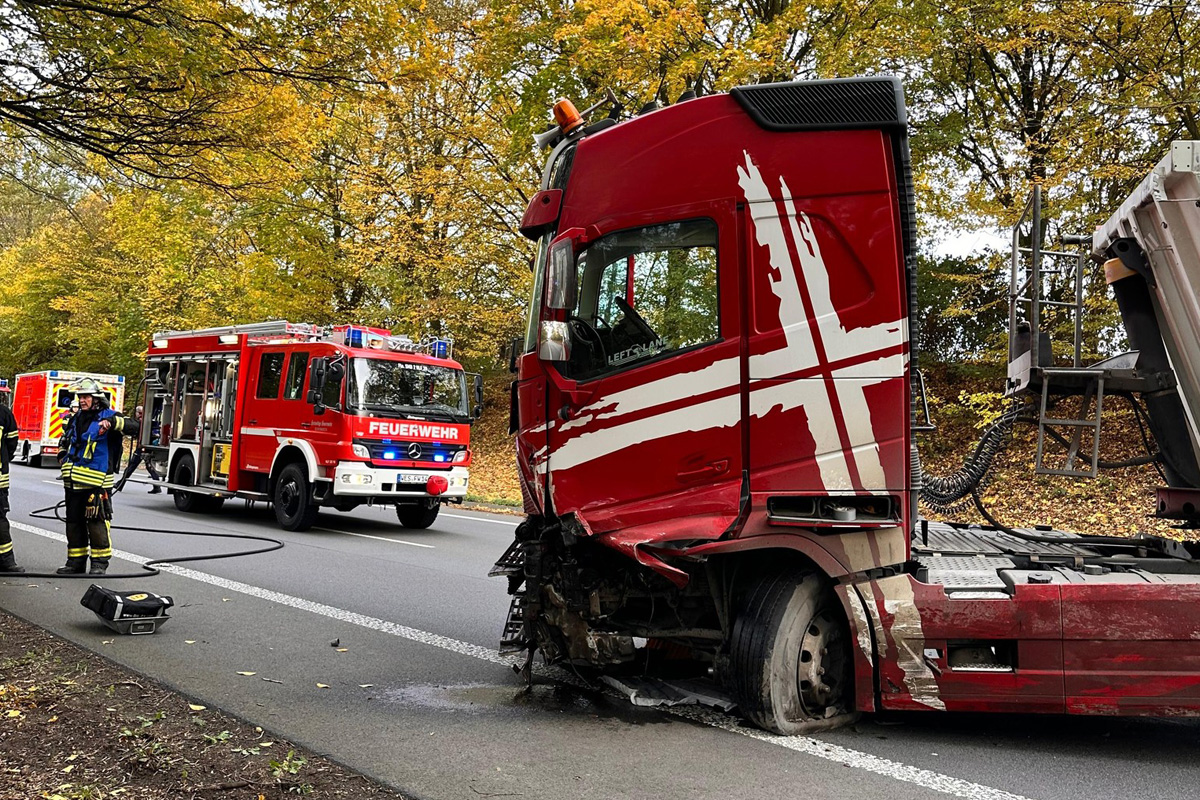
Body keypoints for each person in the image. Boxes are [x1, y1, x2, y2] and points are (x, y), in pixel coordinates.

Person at [56, 379, 132, 575]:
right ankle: (75, 562)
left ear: (96, 399)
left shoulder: (109, 416)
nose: (82, 400)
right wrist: (62, 455)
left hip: (97, 483)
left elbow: (135, 426)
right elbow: (66, 440)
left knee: (97, 522)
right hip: (72, 481)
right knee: (73, 522)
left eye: (86, 397)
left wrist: (114, 423)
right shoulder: (76, 418)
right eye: (80, 397)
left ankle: (99, 563)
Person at [114, 405, 160, 494]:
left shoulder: (141, 422)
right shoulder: (148, 422)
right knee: (149, 466)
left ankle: (120, 484)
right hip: (147, 447)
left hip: (141, 448)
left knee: (131, 466)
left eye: (138, 413)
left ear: (139, 413)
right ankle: (157, 486)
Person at [0, 399, 23, 573]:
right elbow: (11, 445)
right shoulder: (4, 413)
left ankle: (6, 561)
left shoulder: (4, 413)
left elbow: (12, 443)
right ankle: (6, 562)